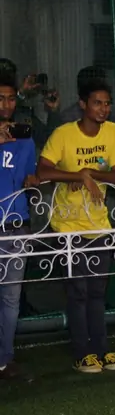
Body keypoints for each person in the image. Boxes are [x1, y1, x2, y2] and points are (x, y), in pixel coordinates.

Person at [37, 79, 115, 374]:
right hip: (68, 226)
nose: (103, 109)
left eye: (107, 103)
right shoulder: (64, 134)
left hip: (99, 225)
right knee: (78, 292)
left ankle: (101, 350)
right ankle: (82, 353)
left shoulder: (112, 131)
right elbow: (43, 170)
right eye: (97, 103)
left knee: (98, 292)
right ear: (82, 104)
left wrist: (90, 173)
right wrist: (79, 176)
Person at [0, 74, 39, 382]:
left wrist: (32, 180)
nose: (6, 105)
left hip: (17, 226)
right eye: (0, 99)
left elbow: (29, 176)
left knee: (11, 299)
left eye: (11, 99)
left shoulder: (25, 139)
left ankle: (5, 359)